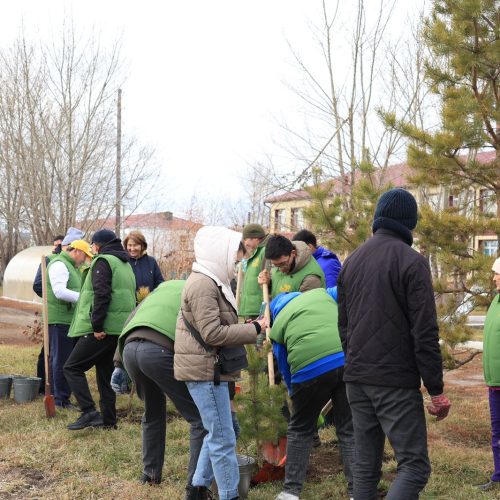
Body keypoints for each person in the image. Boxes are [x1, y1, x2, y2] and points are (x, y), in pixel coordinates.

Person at [337, 188, 451, 499]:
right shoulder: (412, 262)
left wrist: (356, 364)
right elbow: (425, 331)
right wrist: (436, 390)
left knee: (365, 464)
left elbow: (343, 327)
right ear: (409, 223)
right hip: (394, 381)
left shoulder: (351, 262)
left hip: (356, 379)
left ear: (378, 218)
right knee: (414, 465)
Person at [174, 226, 267, 500]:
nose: (236, 263)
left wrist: (247, 326)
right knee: (223, 438)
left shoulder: (211, 281)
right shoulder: (203, 284)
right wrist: (255, 330)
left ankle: (198, 488)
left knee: (225, 431)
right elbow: (212, 333)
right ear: (220, 253)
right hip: (205, 371)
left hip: (208, 369)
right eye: (234, 257)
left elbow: (216, 326)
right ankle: (229, 494)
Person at [111, 279, 207, 489]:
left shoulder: (162, 288)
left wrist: (118, 365)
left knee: (153, 411)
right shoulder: (198, 293)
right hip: (158, 352)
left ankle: (150, 474)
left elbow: (130, 318)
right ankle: (196, 486)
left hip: (130, 349)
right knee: (200, 418)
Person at [269, 288, 354, 500]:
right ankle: (357, 491)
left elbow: (284, 365)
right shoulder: (322, 295)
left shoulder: (278, 323)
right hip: (345, 361)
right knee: (348, 429)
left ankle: (290, 492)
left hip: (308, 369)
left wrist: (295, 395)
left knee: (300, 429)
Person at [64, 229, 136, 430]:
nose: (93, 249)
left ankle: (89, 412)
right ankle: (109, 422)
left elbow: (101, 295)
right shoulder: (125, 264)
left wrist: (96, 326)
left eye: (94, 245)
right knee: (105, 375)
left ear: (99, 245)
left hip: (102, 329)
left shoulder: (103, 261)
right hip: (119, 329)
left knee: (72, 367)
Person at [46, 240, 93, 408]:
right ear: (77, 252)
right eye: (85, 256)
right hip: (59, 320)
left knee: (65, 359)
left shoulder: (71, 266)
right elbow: (59, 292)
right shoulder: (59, 265)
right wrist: (83, 298)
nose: (85, 260)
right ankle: (60, 399)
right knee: (61, 360)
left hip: (68, 319)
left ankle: (63, 396)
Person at [478, 257, 500, 491]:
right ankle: (498, 476)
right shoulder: (496, 301)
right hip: (495, 382)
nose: (494, 278)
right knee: (497, 430)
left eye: (497, 273)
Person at [257, 235, 325, 300]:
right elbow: (273, 293)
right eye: (275, 265)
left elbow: (304, 308)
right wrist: (267, 284)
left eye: (283, 264)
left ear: (293, 253)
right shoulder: (278, 262)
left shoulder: (311, 278)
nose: (280, 269)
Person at [238, 223, 269, 320]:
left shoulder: (264, 252)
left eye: (246, 239)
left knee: (259, 335)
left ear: (255, 238)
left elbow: (267, 277)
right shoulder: (253, 254)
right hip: (250, 308)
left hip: (259, 308)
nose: (245, 243)